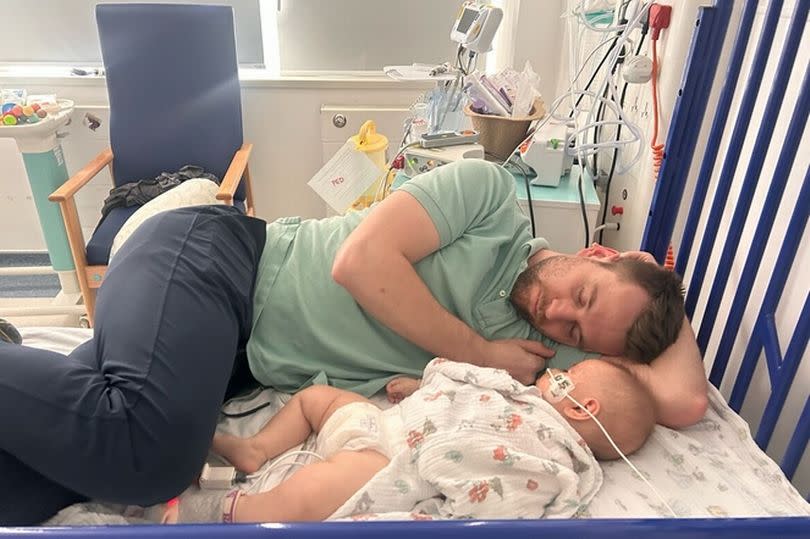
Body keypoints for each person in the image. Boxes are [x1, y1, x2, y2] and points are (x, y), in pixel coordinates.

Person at [0, 159, 706, 525]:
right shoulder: (490, 199)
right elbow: (359, 263)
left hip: (228, 357)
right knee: (149, 455)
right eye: (582, 294)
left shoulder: (550, 361)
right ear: (599, 252)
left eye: (577, 331)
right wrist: (482, 353)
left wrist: (660, 312)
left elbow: (681, 401)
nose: (558, 313)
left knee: (23, 493)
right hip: (215, 266)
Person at [157, 357, 654, 523]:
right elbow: (467, 383)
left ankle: (225, 510)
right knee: (318, 398)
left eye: (569, 375)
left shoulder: (551, 463)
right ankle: (257, 448)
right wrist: (424, 387)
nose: (557, 373)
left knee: (303, 497)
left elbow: (498, 505)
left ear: (583, 408)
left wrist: (440, 500)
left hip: (393, 469)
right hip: (383, 423)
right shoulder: (518, 393)